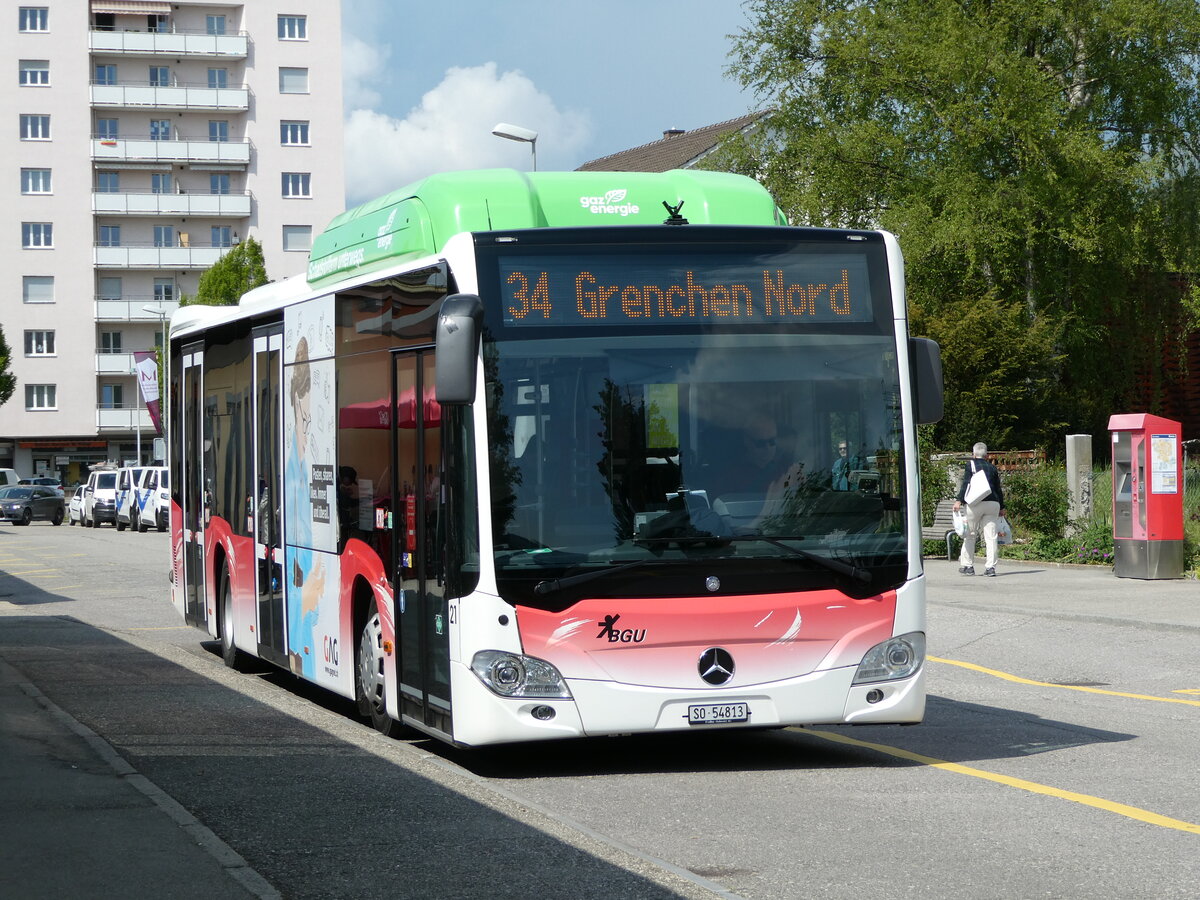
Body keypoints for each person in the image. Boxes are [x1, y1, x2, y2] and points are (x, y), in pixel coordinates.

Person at [952, 442, 1006, 576]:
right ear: (986, 455)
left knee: (970, 535)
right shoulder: (992, 468)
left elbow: (966, 483)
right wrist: (1002, 507)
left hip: (975, 503)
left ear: (974, 454)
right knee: (991, 537)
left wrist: (959, 500)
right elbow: (998, 489)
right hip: (993, 503)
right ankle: (990, 568)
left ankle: (968, 566)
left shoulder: (970, 465)